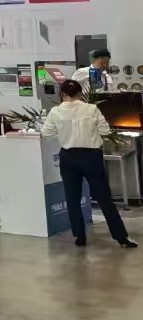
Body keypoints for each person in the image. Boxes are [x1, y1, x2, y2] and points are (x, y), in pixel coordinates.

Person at [42, 79, 136, 248]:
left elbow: (46, 132)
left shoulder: (56, 111)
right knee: (104, 198)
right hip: (91, 157)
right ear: (80, 93)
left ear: (62, 94)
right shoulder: (91, 109)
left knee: (72, 198)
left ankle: (80, 236)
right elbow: (105, 130)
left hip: (68, 157)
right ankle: (121, 237)